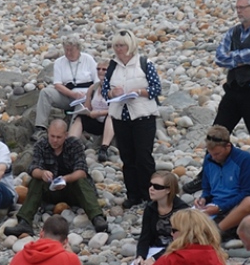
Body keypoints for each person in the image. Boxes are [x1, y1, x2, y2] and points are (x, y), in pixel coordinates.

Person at [103, 170, 191, 265]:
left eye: (157, 186)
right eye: (151, 185)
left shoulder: (182, 211)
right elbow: (144, 238)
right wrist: (140, 257)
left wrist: (154, 260)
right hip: (153, 251)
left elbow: (182, 242)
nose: (151, 188)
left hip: (176, 253)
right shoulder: (151, 208)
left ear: (168, 190)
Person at [4, 119, 109, 237]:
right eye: (52, 136)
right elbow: (33, 168)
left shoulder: (75, 144)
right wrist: (42, 173)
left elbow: (82, 171)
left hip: (73, 190)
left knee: (80, 181)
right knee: (36, 180)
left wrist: (65, 179)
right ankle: (24, 222)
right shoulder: (41, 145)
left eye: (59, 137)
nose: (54, 140)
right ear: (48, 133)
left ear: (66, 135)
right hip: (51, 191)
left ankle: (97, 217)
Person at [212, 0, 250, 177]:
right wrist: (239, 59)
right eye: (237, 8)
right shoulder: (233, 32)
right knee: (216, 133)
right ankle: (208, 173)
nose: (239, 11)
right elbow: (219, 57)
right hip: (233, 89)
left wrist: (233, 57)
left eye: (242, 7)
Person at [102, 30, 162, 208]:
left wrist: (139, 92)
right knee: (127, 157)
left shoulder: (144, 63)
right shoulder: (112, 66)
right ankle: (133, 194)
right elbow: (105, 91)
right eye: (116, 46)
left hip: (143, 115)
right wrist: (113, 93)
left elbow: (156, 88)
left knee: (144, 157)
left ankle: (150, 193)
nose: (119, 49)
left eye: (122, 45)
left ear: (131, 46)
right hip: (121, 116)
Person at [196, 125, 250, 239]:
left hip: (235, 207)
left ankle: (216, 231)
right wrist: (203, 198)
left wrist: (221, 208)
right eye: (210, 153)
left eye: (217, 154)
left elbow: (247, 192)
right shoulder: (209, 159)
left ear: (228, 146)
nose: (213, 157)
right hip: (213, 206)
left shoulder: (245, 160)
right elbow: (207, 188)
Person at [33, 36, 96, 138]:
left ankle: (72, 137)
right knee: (45, 92)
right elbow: (57, 84)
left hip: (85, 97)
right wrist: (72, 94)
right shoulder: (59, 62)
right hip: (67, 95)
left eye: (71, 50)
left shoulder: (88, 60)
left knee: (80, 107)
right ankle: (40, 127)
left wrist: (88, 95)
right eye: (66, 50)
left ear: (78, 49)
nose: (68, 53)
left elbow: (97, 82)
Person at [67, 61, 115, 162]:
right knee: (80, 118)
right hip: (96, 121)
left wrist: (98, 113)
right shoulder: (93, 88)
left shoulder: (115, 87)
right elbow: (87, 107)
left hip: (110, 121)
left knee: (111, 116)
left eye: (104, 69)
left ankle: (104, 148)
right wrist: (86, 111)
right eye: (98, 69)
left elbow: (117, 109)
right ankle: (70, 145)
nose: (100, 71)